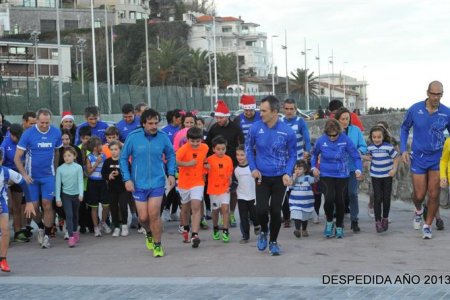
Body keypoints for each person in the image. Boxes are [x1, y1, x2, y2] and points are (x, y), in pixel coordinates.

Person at [120, 108, 176, 258]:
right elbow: (123, 158)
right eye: (150, 123)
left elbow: (171, 154)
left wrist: (171, 173)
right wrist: (127, 179)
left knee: (154, 214)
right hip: (138, 184)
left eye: (156, 123)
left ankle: (158, 245)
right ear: (143, 123)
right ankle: (149, 233)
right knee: (143, 218)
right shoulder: (133, 137)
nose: (153, 126)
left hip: (157, 182)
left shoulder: (163, 137)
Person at [246, 96, 297, 255]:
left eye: (263, 110)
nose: (260, 113)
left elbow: (293, 155)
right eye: (260, 110)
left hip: (280, 177)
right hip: (261, 177)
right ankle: (263, 231)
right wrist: (253, 168)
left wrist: (288, 172)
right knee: (261, 210)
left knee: (276, 211)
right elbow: (248, 149)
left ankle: (273, 241)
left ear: (274, 112)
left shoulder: (288, 131)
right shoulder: (255, 128)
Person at [400, 81, 450, 239]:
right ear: (427, 93)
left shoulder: (446, 112)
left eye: (439, 94)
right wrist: (403, 150)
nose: (436, 97)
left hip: (437, 158)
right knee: (419, 195)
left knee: (434, 194)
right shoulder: (415, 109)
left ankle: (427, 226)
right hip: (419, 158)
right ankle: (418, 210)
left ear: (442, 94)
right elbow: (404, 128)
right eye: (433, 93)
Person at [14, 108, 62, 249]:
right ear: (37, 120)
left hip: (48, 176)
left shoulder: (56, 132)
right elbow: (17, 158)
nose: (44, 125)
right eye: (42, 123)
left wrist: (55, 169)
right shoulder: (28, 134)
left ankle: (47, 235)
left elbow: (57, 151)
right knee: (33, 207)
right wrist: (24, 174)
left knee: (47, 204)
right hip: (31, 178)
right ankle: (40, 227)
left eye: (47, 123)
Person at [311, 119, 363, 239]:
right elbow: (314, 154)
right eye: (330, 135)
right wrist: (313, 167)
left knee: (339, 200)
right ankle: (329, 222)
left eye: (335, 135)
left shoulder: (345, 140)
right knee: (329, 199)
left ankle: (339, 225)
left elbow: (355, 156)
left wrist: (358, 169)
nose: (332, 137)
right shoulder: (321, 140)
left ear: (339, 132)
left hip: (342, 174)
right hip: (326, 174)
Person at [206, 100, 244, 228]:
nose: (218, 120)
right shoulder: (214, 128)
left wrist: (241, 161)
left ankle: (231, 213)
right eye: (217, 117)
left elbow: (242, 145)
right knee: (218, 191)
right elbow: (207, 146)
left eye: (221, 117)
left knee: (232, 191)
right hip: (216, 166)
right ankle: (222, 215)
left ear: (227, 116)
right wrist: (206, 162)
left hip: (232, 163)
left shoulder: (236, 128)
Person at [335, 107, 367, 232]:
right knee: (340, 195)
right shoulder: (335, 132)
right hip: (338, 169)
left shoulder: (356, 130)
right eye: (342, 119)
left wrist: (358, 152)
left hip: (353, 167)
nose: (345, 121)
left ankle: (354, 219)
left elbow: (363, 146)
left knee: (352, 193)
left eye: (347, 118)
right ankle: (340, 219)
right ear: (338, 120)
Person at [0, 148, 32, 272]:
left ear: (1, 160)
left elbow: (23, 182)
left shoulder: (6, 172)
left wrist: (29, 202)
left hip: (1, 203)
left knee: (5, 231)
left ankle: (2, 259)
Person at [176, 127, 209, 248]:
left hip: (198, 181)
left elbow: (205, 160)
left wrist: (206, 167)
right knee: (185, 209)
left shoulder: (205, 148)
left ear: (201, 140)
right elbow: (175, 161)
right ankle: (185, 229)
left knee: (196, 205)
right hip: (184, 182)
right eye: (192, 141)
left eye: (198, 141)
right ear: (187, 139)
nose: (195, 144)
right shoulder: (183, 149)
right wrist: (187, 164)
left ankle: (195, 235)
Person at [281, 98, 311, 228]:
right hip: (284, 161)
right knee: (285, 189)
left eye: (291, 109)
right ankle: (287, 217)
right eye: (286, 109)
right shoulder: (280, 122)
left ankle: (302, 215)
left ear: (295, 109)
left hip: (298, 161)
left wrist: (307, 152)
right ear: (283, 109)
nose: (289, 111)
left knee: (298, 189)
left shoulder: (300, 122)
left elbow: (307, 139)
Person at [366, 126, 399, 233]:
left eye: (379, 137)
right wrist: (363, 157)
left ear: (383, 136)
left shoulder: (388, 147)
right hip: (375, 176)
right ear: (371, 137)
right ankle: (377, 221)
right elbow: (367, 157)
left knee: (386, 198)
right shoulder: (370, 148)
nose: (376, 139)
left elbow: (396, 158)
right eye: (374, 137)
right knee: (377, 198)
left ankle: (385, 218)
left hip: (387, 175)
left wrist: (394, 169)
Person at [1, 124, 29, 242]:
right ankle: (4, 234)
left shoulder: (22, 142)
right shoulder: (4, 144)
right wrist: (7, 178)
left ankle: (18, 232)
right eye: (16, 137)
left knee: (17, 207)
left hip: (18, 176)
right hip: (6, 178)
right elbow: (1, 162)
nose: (18, 139)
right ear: (11, 135)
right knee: (8, 207)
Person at [55, 146, 84, 247]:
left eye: (69, 155)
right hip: (65, 195)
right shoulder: (60, 169)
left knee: (75, 215)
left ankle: (75, 232)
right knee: (69, 215)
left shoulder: (78, 167)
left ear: (74, 156)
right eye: (65, 156)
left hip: (76, 195)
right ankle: (71, 236)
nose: (67, 158)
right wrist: (58, 198)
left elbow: (80, 181)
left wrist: (81, 194)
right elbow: (58, 184)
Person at [207, 136, 234, 243]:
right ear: (213, 149)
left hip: (225, 189)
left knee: (225, 209)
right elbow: (204, 173)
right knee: (215, 211)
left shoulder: (228, 159)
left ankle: (225, 230)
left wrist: (229, 185)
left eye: (223, 149)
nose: (221, 151)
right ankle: (215, 228)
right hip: (213, 190)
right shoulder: (209, 160)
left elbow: (230, 174)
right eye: (218, 149)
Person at [101, 141, 130, 237]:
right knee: (113, 207)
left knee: (123, 206)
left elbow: (129, 172)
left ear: (120, 150)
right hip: (112, 189)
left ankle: (124, 226)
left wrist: (120, 174)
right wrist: (108, 176)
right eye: (112, 149)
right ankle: (117, 227)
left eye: (116, 149)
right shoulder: (107, 161)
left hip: (123, 188)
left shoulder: (124, 161)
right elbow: (103, 174)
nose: (113, 151)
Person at [234, 144, 260, 243]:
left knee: (254, 216)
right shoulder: (236, 170)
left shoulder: (253, 168)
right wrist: (230, 187)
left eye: (242, 155)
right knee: (243, 217)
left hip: (253, 196)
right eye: (237, 155)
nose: (239, 157)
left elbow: (259, 180)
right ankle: (245, 236)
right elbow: (235, 182)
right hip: (241, 197)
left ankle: (257, 225)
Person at [85, 136, 110, 237]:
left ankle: (103, 222)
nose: (102, 146)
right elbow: (89, 172)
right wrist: (97, 162)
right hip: (93, 184)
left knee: (106, 205)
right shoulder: (89, 157)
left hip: (103, 183)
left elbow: (106, 170)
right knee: (94, 207)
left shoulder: (104, 156)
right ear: (95, 147)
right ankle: (96, 227)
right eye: (100, 145)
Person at [290, 159, 316, 238]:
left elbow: (315, 180)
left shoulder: (307, 178)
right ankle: (297, 230)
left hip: (306, 203)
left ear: (304, 170)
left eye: (300, 169)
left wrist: (317, 174)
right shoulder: (293, 178)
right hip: (295, 202)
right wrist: (293, 178)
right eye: (296, 169)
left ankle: (304, 229)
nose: (297, 170)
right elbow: (290, 186)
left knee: (305, 217)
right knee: (296, 215)